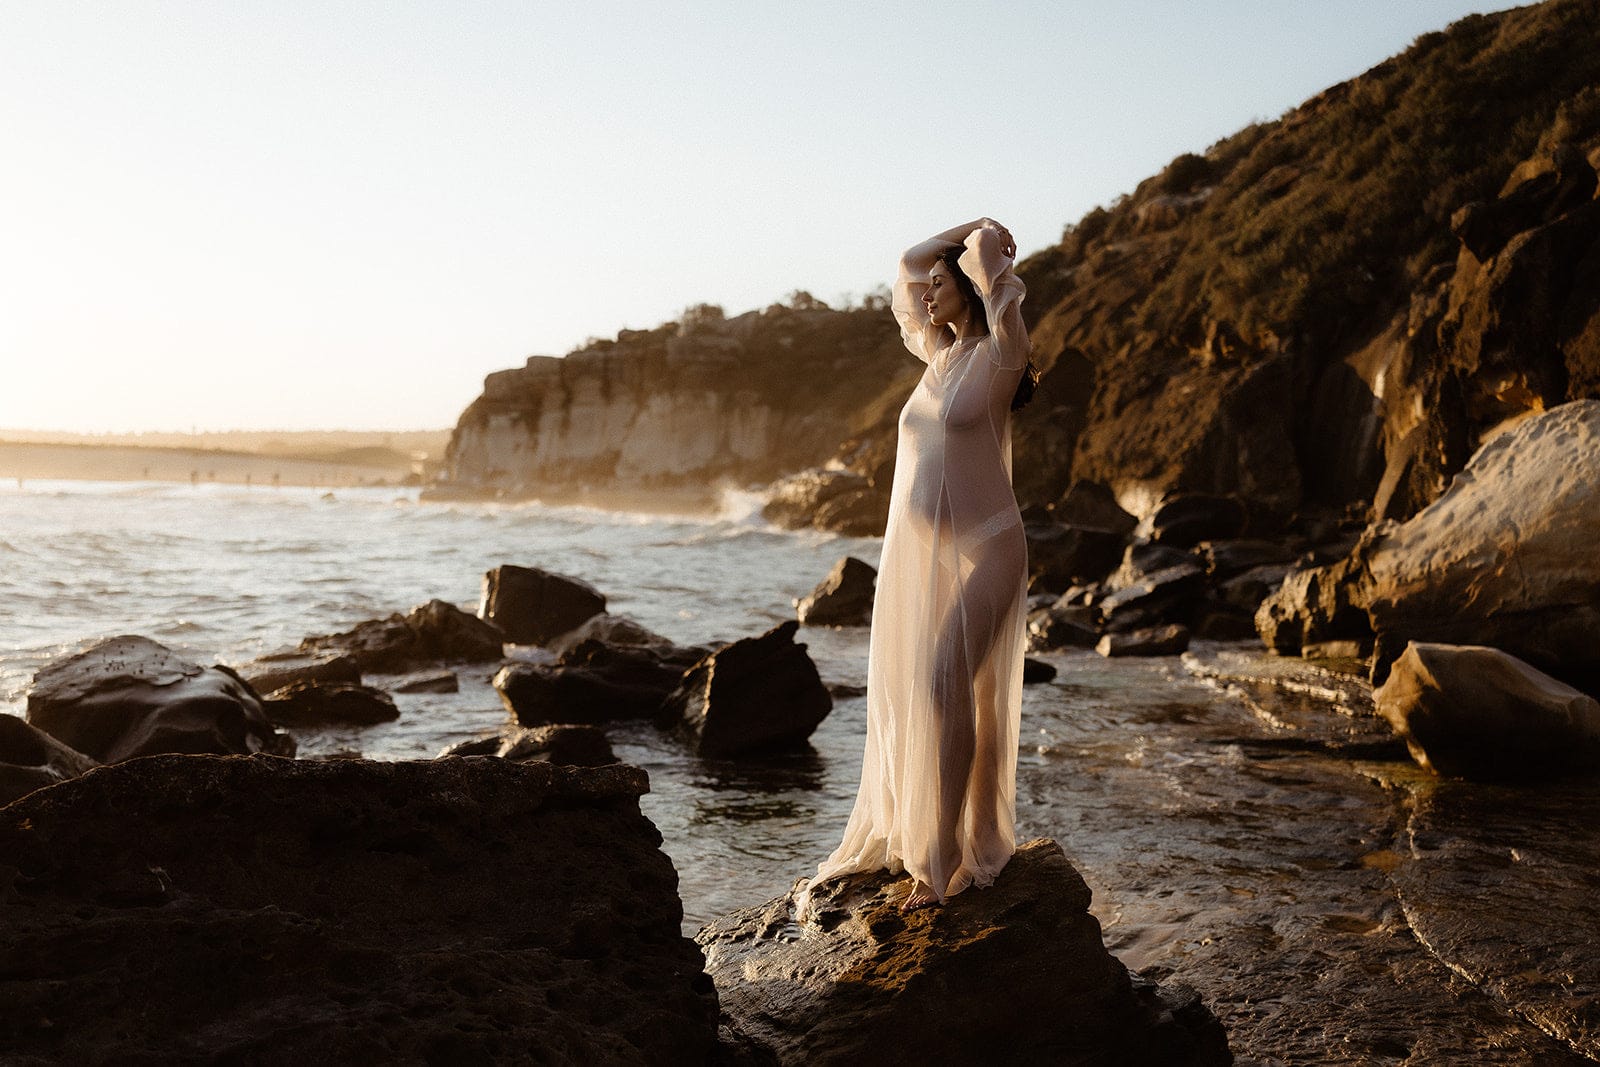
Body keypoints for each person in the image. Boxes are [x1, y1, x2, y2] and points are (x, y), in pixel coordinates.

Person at [804, 218, 1032, 914]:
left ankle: (939, 867)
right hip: (940, 559)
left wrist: (990, 256)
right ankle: (975, 837)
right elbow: (906, 261)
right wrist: (969, 226)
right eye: (927, 287)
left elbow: (1000, 302)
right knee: (971, 696)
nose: (927, 292)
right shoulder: (936, 356)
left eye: (941, 283)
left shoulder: (1001, 354)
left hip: (992, 546)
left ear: (969, 287)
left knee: (946, 681)